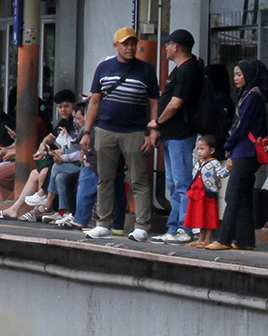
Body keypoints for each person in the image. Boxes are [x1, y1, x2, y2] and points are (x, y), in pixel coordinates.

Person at [82, 26, 159, 241]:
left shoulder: (146, 70)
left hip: (135, 131)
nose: (130, 47)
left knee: (139, 180)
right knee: (104, 179)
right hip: (105, 129)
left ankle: (142, 226)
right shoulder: (104, 68)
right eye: (125, 44)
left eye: (133, 43)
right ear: (116, 46)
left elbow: (154, 103)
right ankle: (103, 224)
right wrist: (87, 132)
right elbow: (94, 101)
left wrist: (152, 130)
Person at [205, 59, 268, 251]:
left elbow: (242, 126)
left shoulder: (252, 97)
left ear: (249, 75)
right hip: (243, 150)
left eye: (239, 74)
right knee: (242, 196)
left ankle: (224, 238)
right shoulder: (248, 94)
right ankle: (245, 240)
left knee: (232, 195)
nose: (235, 78)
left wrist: (228, 144)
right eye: (234, 74)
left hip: (247, 151)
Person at [147, 28, 201, 244]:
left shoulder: (188, 70)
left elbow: (176, 103)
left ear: (176, 46)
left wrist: (158, 122)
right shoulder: (178, 70)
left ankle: (184, 228)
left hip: (181, 134)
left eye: (168, 45)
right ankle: (173, 226)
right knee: (173, 183)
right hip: (171, 135)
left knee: (182, 182)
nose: (165, 48)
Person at [185, 134, 229, 247]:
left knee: (209, 216)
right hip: (197, 193)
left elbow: (220, 174)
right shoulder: (198, 163)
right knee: (200, 216)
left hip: (208, 193)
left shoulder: (214, 163)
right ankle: (200, 238)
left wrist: (228, 169)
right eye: (198, 149)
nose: (199, 152)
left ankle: (207, 239)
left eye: (202, 149)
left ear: (212, 150)